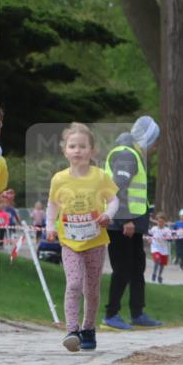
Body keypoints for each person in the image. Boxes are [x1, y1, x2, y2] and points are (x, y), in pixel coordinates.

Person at [45, 123, 119, 352]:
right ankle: (72, 330)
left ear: (92, 151)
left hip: (95, 241)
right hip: (70, 242)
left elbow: (114, 200)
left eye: (82, 146)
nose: (77, 150)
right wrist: (50, 225)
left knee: (91, 289)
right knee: (74, 283)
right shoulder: (59, 179)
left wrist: (108, 214)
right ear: (65, 151)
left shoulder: (100, 176)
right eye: (72, 146)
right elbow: (52, 204)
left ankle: (88, 328)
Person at [103, 116, 163, 329]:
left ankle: (138, 313)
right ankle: (111, 314)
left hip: (132, 225)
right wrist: (126, 219)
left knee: (137, 267)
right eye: (155, 142)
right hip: (122, 224)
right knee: (122, 269)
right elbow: (117, 187)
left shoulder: (134, 154)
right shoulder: (127, 155)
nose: (155, 148)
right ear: (148, 138)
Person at [148, 212, 170, 283]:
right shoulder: (154, 229)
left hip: (164, 249)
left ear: (164, 222)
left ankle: (159, 276)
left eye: (162, 222)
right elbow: (149, 235)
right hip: (155, 248)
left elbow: (170, 239)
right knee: (157, 260)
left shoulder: (167, 230)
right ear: (157, 221)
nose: (160, 223)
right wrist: (149, 239)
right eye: (159, 221)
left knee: (162, 264)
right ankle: (154, 274)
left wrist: (167, 237)